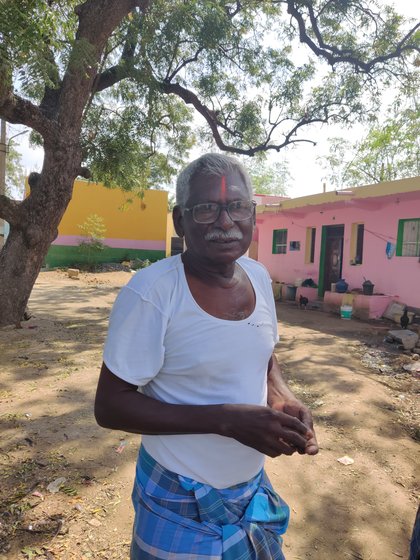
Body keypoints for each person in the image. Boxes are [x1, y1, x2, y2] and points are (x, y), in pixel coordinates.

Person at [95, 153, 318, 559]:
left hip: (250, 491)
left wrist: (282, 396)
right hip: (177, 497)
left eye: (237, 206)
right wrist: (225, 420)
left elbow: (264, 357)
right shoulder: (152, 293)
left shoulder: (258, 276)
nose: (225, 222)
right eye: (206, 209)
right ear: (180, 221)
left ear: (252, 214)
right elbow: (110, 407)